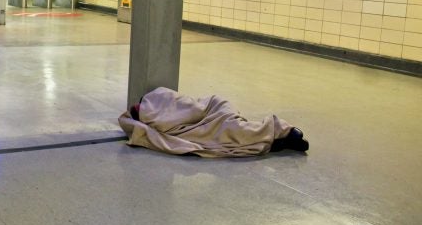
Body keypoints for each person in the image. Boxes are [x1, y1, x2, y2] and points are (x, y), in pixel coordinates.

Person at [119, 87, 309, 158]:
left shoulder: (158, 96)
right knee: (228, 134)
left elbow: (192, 108)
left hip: (213, 108)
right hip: (207, 123)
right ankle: (276, 139)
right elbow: (169, 130)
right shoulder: (150, 116)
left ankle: (279, 128)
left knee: (233, 128)